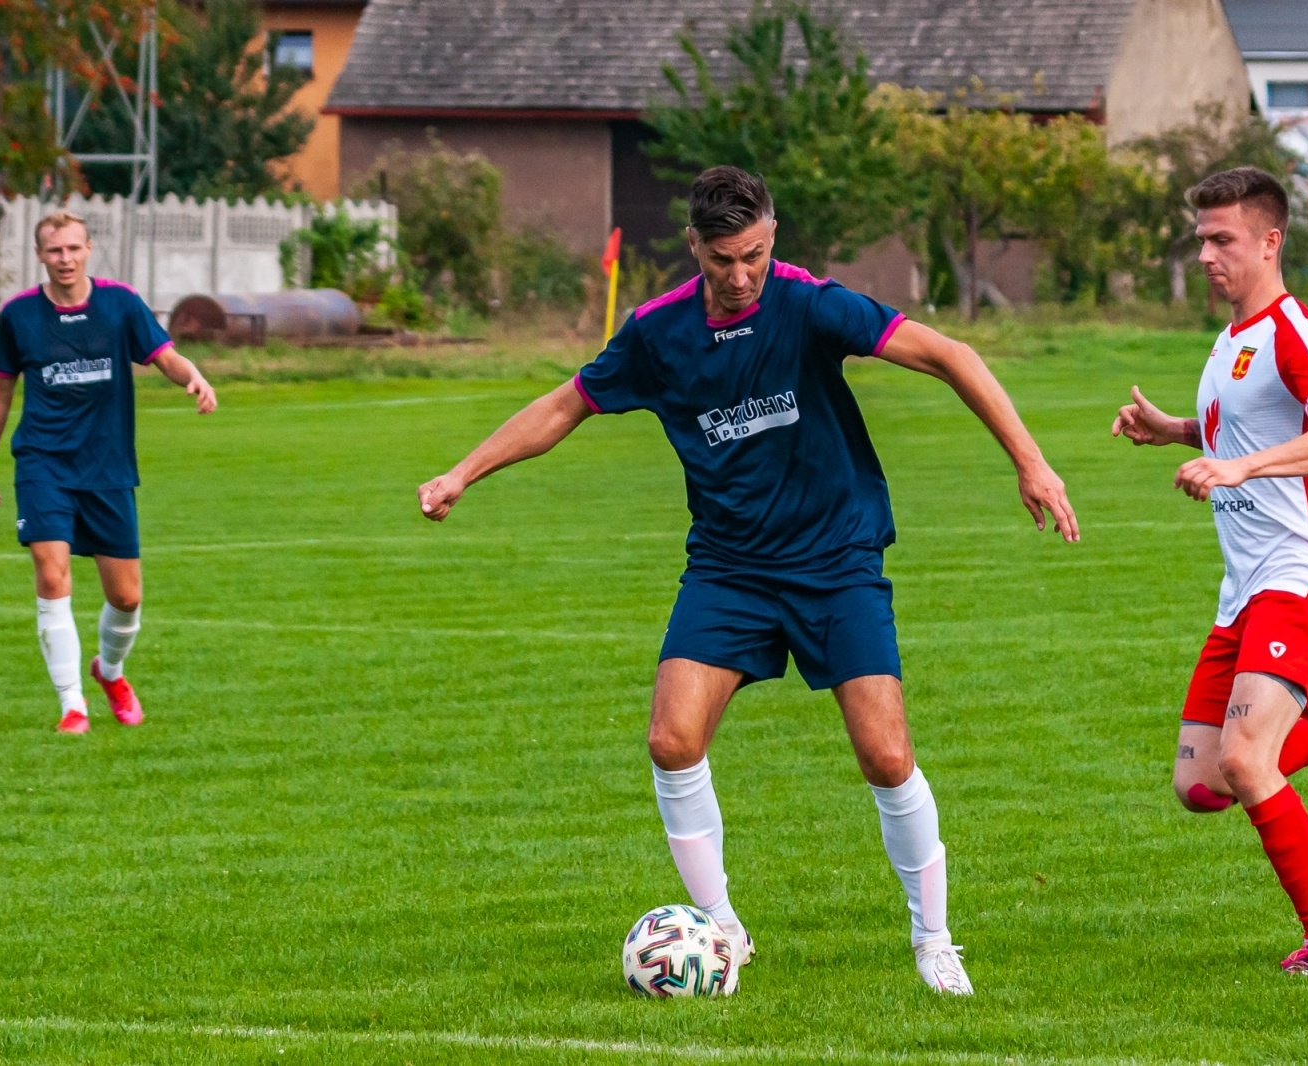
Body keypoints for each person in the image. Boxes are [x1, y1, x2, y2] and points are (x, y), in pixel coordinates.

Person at [417, 166, 1078, 994]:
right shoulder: (657, 332)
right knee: (671, 738)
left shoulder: (808, 303)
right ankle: (722, 931)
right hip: (729, 566)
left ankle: (934, 941)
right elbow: (566, 405)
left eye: (755, 255)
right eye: (723, 259)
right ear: (693, 245)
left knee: (885, 753)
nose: (740, 277)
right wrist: (462, 473)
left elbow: (949, 354)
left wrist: (1032, 463)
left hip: (836, 558)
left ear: (773, 236)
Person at [1111, 167, 1308, 977]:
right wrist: (1177, 431)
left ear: (1269, 240)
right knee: (1203, 784)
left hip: (1303, 576)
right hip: (1243, 593)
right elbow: (1240, 435)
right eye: (1202, 239)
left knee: (1248, 761)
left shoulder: (1295, 331)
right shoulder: (1229, 343)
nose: (1208, 253)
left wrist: (1241, 473)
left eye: (1222, 239)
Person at [0, 210, 217, 733]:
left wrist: (192, 376)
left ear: (88, 250)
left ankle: (109, 671)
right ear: (40, 255)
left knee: (126, 598)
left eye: (73, 248)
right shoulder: (18, 316)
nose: (64, 259)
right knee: (51, 572)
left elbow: (164, 355)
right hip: (43, 464)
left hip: (107, 467)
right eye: (54, 250)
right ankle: (72, 706)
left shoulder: (120, 304)